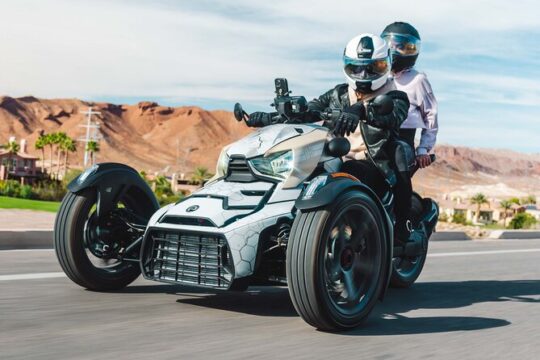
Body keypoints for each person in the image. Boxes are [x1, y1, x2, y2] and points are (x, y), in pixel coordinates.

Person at [248, 34, 416, 244]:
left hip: (373, 164)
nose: (363, 74)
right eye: (356, 67)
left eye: (373, 67)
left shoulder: (396, 97)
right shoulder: (338, 94)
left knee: (350, 172)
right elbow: (312, 109)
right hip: (331, 157)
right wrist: (270, 117)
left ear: (387, 64)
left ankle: (404, 225)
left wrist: (361, 111)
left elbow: (392, 116)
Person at [382, 22, 438, 168]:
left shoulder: (418, 80)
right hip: (374, 138)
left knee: (399, 182)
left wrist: (423, 148)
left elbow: (431, 115)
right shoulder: (378, 76)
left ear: (411, 49)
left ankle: (404, 192)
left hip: (403, 141)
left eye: (400, 47)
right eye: (389, 45)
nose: (393, 50)